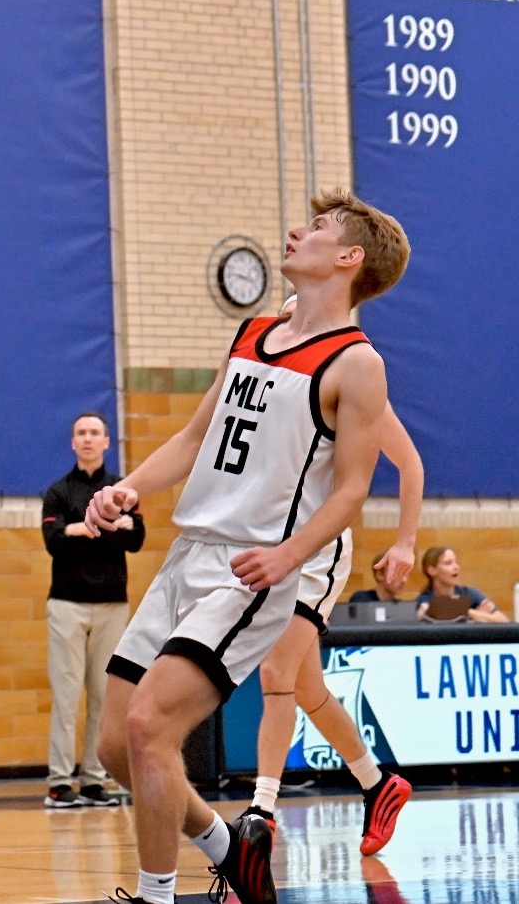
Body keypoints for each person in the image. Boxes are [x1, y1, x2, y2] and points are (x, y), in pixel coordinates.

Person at [86, 191, 409, 904]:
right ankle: (231, 847)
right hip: (188, 552)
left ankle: (155, 894)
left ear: (349, 259)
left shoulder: (358, 364)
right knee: (117, 746)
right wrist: (128, 488)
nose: (298, 230)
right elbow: (195, 437)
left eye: (318, 228)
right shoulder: (252, 332)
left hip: (251, 568)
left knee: (150, 725)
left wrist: (290, 554)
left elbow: (354, 488)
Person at [247, 294, 426, 855]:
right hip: (276, 542)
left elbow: (411, 464)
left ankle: (261, 812)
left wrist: (404, 542)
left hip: (319, 549)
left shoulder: (352, 380)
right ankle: (379, 785)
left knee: (274, 669)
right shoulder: (272, 381)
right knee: (306, 687)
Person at [41, 411, 142, 809]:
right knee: (66, 696)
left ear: (106, 441)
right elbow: (53, 540)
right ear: (73, 442)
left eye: (94, 432)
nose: (87, 438)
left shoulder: (122, 489)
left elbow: (136, 538)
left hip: (113, 606)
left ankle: (95, 780)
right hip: (66, 605)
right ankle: (59, 782)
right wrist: (102, 528)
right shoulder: (58, 491)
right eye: (80, 432)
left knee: (103, 697)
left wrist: (79, 528)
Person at [416, 547, 508, 622]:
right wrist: (477, 615)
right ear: (432, 570)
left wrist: (467, 612)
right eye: (448, 563)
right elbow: (434, 614)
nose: (456, 567)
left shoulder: (470, 593)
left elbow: (503, 620)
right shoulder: (425, 599)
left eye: (456, 562)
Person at [344, 555, 410, 604]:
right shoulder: (361, 601)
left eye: (405, 574)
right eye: (397, 573)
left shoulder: (400, 607)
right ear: (379, 575)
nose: (404, 580)